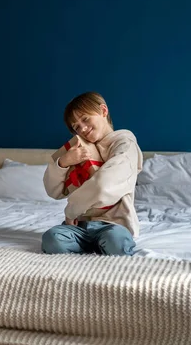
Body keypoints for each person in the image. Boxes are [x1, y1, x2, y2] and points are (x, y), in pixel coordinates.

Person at [42, 91, 142, 256]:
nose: (83, 128)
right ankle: (89, 248)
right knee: (52, 239)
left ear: (103, 111)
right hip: (80, 227)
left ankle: (101, 248)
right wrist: (63, 162)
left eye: (85, 119)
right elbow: (53, 191)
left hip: (113, 224)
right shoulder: (79, 149)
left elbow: (103, 186)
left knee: (116, 241)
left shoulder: (125, 143)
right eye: (76, 127)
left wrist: (71, 210)